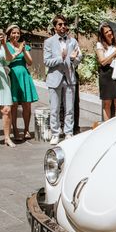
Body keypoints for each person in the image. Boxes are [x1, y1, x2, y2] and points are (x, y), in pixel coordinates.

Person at [44, 15, 82, 144]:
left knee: (69, 108)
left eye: (64, 24)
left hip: (70, 78)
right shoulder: (49, 42)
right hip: (55, 78)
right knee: (54, 108)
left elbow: (79, 57)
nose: (63, 27)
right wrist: (61, 58)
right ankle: (55, 133)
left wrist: (73, 59)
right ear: (55, 27)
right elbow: (46, 61)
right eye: (60, 24)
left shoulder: (73, 41)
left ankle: (68, 132)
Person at [6, 24, 38, 140]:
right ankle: (15, 129)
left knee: (26, 104)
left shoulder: (24, 46)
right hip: (12, 75)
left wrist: (23, 50)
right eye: (13, 33)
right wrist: (18, 52)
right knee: (14, 104)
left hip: (24, 76)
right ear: (9, 34)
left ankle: (26, 129)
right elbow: (7, 61)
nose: (16, 35)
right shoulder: (6, 46)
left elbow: (30, 62)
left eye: (18, 33)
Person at [95, 23, 116, 120]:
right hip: (106, 74)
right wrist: (115, 53)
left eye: (110, 30)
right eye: (106, 32)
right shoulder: (100, 45)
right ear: (103, 35)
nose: (110, 33)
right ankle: (107, 127)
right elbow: (103, 61)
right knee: (107, 103)